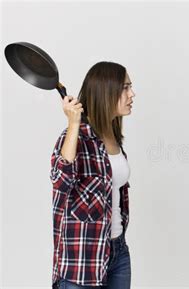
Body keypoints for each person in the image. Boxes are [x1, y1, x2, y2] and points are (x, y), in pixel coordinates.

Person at [50, 61, 136, 288]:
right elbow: (61, 181)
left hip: (118, 252)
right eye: (125, 87)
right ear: (106, 92)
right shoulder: (75, 137)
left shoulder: (113, 136)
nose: (132, 94)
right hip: (81, 262)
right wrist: (73, 124)